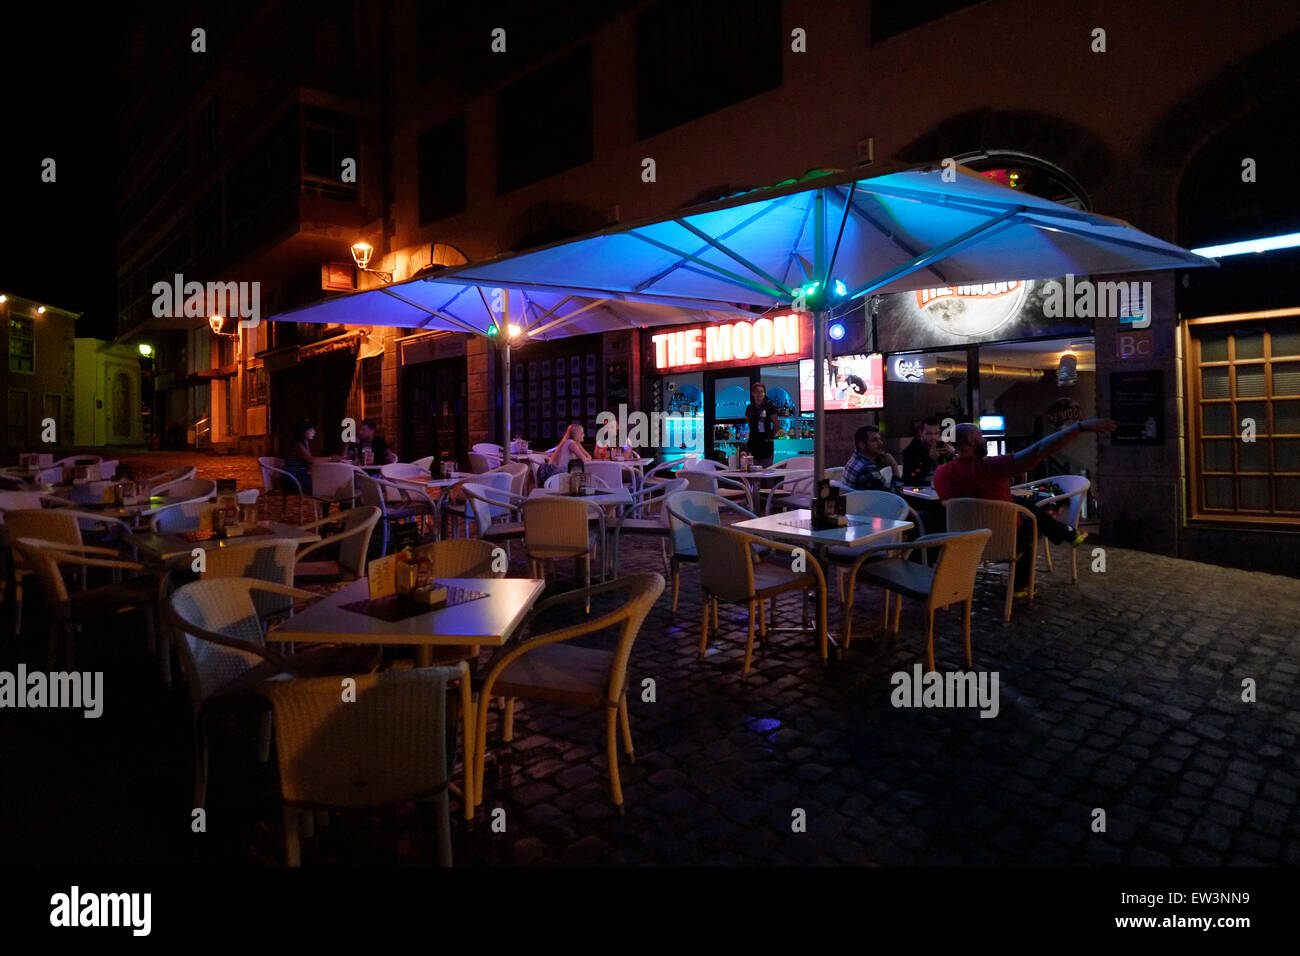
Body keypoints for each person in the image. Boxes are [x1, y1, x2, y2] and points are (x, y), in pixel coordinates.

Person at [933, 418, 1116, 595]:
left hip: (964, 543)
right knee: (1028, 522)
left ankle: (1066, 533)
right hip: (1006, 543)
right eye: (981, 436)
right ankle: (1021, 587)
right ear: (973, 441)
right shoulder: (994, 466)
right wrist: (1079, 427)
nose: (984, 440)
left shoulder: (941, 473)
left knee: (1017, 502)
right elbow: (1039, 450)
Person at [283, 419, 342, 493]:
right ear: (302, 431)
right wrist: (331, 458)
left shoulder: (304, 443)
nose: (314, 432)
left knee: (328, 480)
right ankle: (325, 503)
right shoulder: (297, 444)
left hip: (299, 476)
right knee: (327, 483)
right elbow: (311, 460)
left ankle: (324, 503)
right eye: (311, 430)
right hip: (293, 479)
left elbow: (310, 463)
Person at [843, 425, 903, 493]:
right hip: (872, 503)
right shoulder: (867, 469)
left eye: (880, 439)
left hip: (858, 501)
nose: (881, 443)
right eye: (874, 440)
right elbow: (897, 493)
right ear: (862, 445)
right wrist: (894, 465)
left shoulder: (855, 458)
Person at [902, 415, 955, 486]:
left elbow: (951, 475)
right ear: (921, 433)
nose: (933, 437)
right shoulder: (910, 451)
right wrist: (930, 459)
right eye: (929, 434)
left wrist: (952, 458)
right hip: (920, 494)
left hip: (941, 491)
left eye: (936, 433)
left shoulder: (942, 447)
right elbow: (909, 479)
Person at [744, 382, 778, 467]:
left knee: (767, 472)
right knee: (753, 472)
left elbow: (776, 424)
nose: (759, 394)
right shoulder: (750, 408)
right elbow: (749, 424)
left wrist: (770, 436)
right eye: (757, 392)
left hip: (766, 445)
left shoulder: (769, 406)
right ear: (753, 393)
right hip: (753, 444)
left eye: (761, 392)